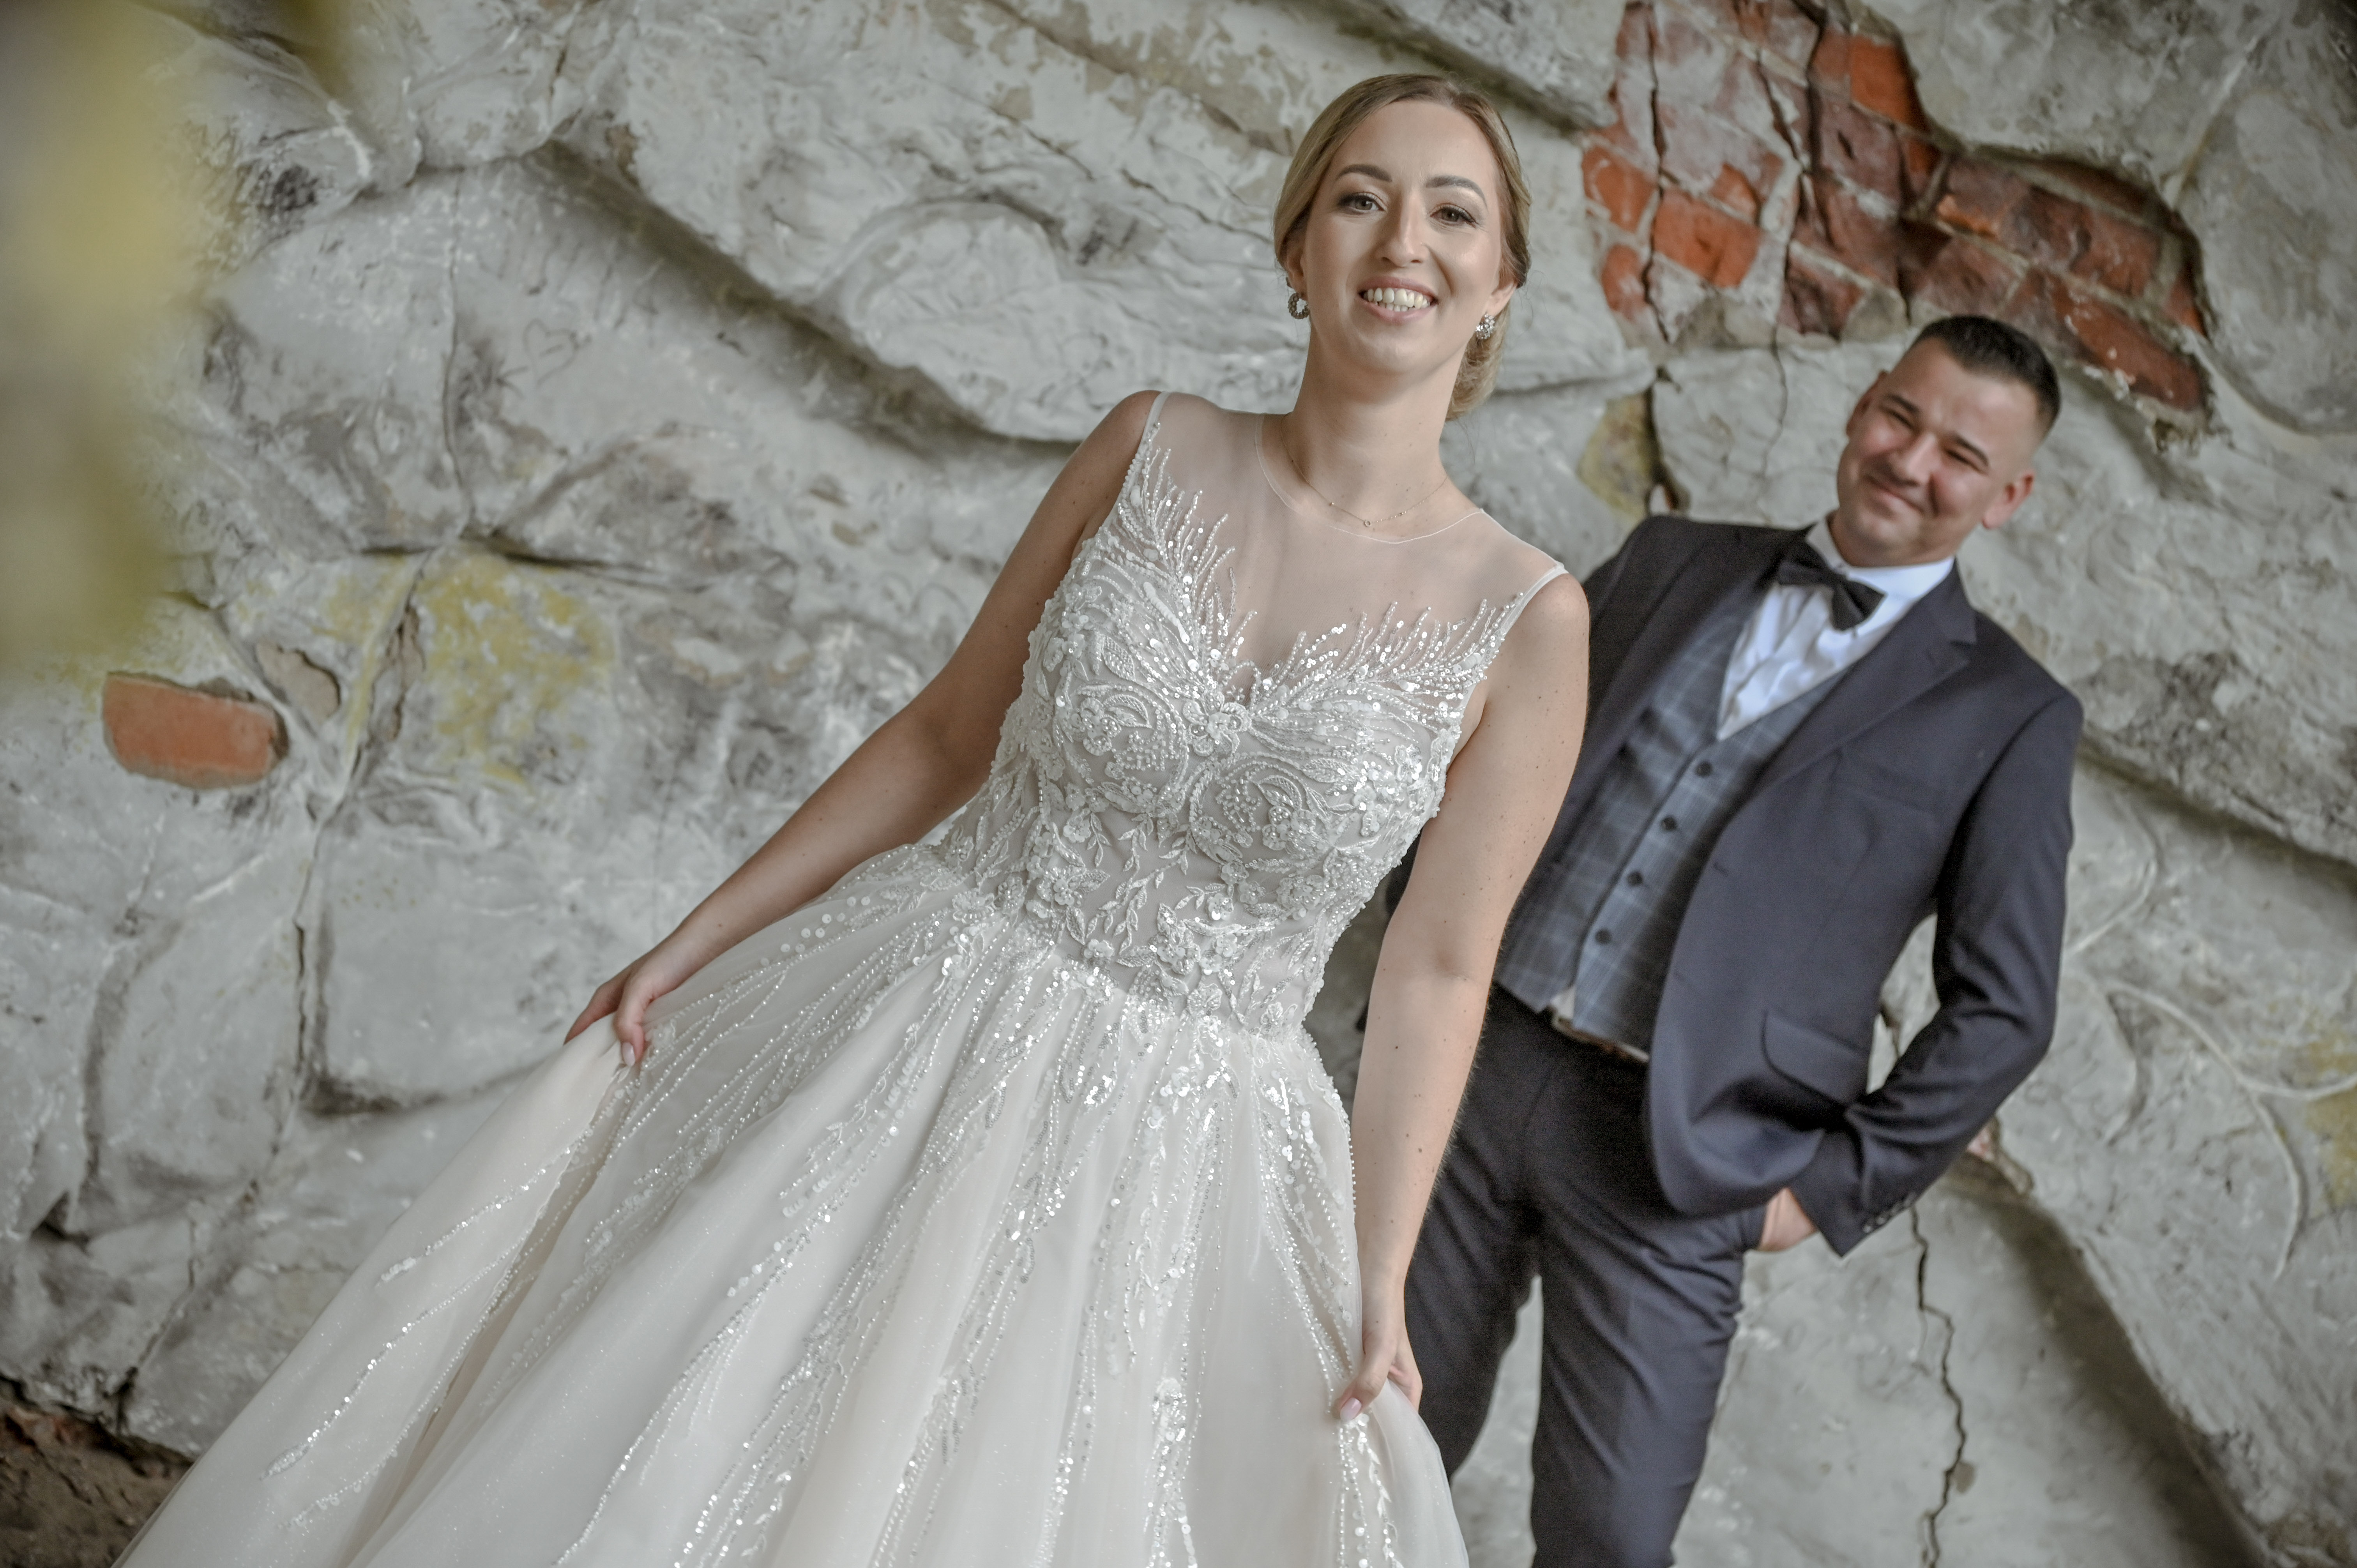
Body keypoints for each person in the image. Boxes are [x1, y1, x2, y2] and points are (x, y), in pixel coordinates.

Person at [117, 74, 1588, 1568]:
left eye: (1453, 214)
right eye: (1360, 197)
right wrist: (698, 940)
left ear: (1499, 291)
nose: (1403, 241)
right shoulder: (1150, 444)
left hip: (1189, 1145)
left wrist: (1380, 1274)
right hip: (922, 1010)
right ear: (1296, 249)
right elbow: (949, 733)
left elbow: (1437, 973)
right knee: (708, 1418)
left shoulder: (1526, 620)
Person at [1404, 316, 2081, 1568]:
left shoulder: (2010, 712)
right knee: (1365, 1439)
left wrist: (1826, 1187)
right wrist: (1410, 957)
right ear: (1862, 405)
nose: (1911, 462)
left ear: (2008, 498)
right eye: (1902, 417)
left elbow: (2005, 1010)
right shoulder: (1669, 558)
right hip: (1465, 1068)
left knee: (1611, 1537)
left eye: (1961, 456)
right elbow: (1482, 750)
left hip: (1679, 1156)